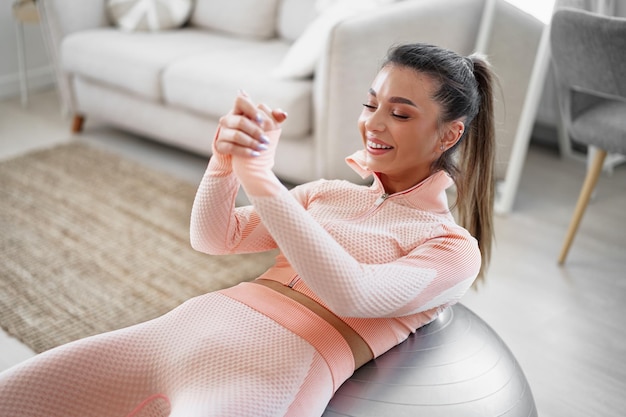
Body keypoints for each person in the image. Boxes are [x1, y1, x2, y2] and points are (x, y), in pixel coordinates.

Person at [0, 42, 495, 417]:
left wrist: (262, 180)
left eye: (400, 113)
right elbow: (214, 238)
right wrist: (224, 162)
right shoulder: (327, 193)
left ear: (450, 133)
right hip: (180, 330)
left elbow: (355, 295)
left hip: (269, 373)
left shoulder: (451, 249)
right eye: (371, 105)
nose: (375, 124)